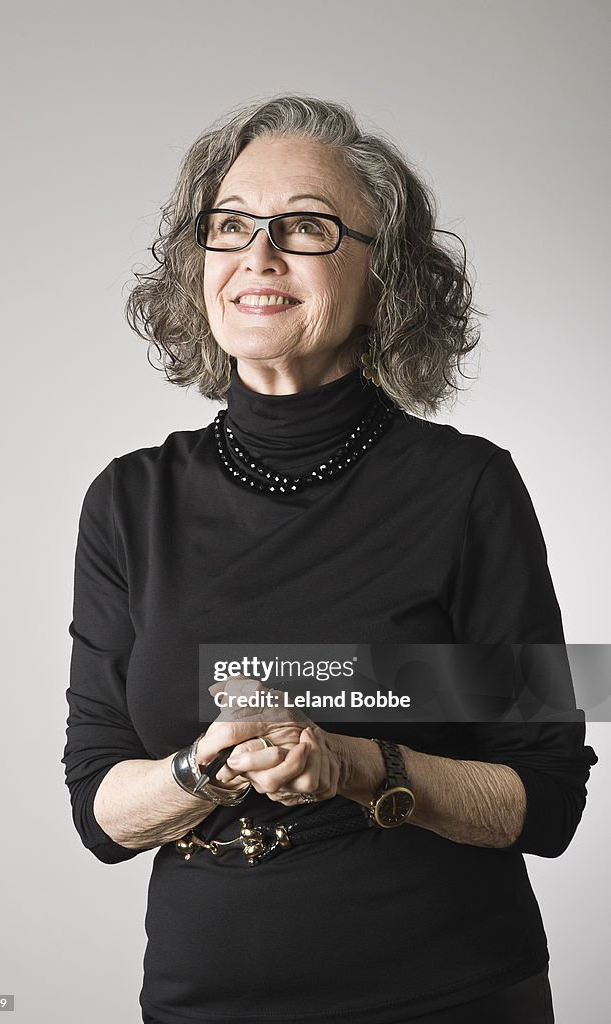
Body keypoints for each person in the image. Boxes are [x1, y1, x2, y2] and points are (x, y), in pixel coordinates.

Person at [62, 95, 597, 1024]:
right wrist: (205, 766)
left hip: (448, 995)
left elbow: (547, 799)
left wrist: (355, 764)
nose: (256, 256)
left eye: (304, 226)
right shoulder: (128, 500)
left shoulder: (468, 488)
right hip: (203, 1001)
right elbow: (99, 812)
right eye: (229, 225)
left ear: (384, 277)